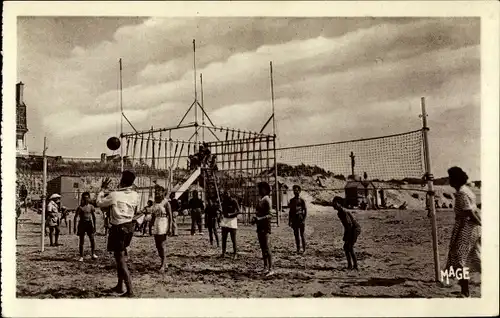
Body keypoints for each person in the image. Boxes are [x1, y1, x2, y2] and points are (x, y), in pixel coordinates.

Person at [96, 171, 139, 297]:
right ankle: (120, 285)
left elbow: (99, 203)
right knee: (119, 257)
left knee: (120, 260)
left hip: (118, 228)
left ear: (122, 181)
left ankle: (130, 290)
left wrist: (102, 190)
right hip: (129, 227)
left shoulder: (115, 195)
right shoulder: (135, 195)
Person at [445, 167, 481, 298]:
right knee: (475, 257)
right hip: (471, 228)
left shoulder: (461, 193)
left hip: (466, 228)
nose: (449, 181)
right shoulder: (468, 191)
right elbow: (474, 210)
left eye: (450, 178)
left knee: (459, 259)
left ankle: (465, 292)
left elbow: (469, 212)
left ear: (455, 179)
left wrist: (480, 223)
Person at [333, 196, 361, 270]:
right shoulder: (339, 213)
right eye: (333, 204)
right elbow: (346, 226)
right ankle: (350, 265)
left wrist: (348, 236)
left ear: (339, 204)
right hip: (349, 229)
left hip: (354, 229)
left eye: (335, 204)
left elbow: (350, 225)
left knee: (349, 247)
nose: (334, 206)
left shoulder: (344, 212)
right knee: (346, 247)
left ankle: (355, 266)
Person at [251, 182, 274, 276]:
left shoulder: (267, 200)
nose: (259, 190)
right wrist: (254, 219)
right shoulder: (260, 199)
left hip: (265, 225)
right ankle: (265, 267)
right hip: (259, 225)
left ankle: (271, 268)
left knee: (266, 247)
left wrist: (259, 218)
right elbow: (258, 212)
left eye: (261, 188)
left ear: (265, 189)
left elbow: (271, 214)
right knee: (262, 247)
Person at [150, 194, 173, 272]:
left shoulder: (166, 203)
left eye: (159, 192)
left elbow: (170, 215)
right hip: (157, 222)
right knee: (157, 245)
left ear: (162, 193)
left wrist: (170, 227)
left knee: (162, 244)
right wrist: (150, 225)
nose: (157, 194)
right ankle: (164, 261)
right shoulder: (154, 203)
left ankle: (163, 264)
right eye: (156, 192)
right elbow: (153, 215)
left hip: (163, 222)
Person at [74, 192, 98, 261]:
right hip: (82, 224)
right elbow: (75, 217)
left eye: (87, 198)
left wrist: (95, 226)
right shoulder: (80, 207)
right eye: (84, 198)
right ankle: (81, 256)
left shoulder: (91, 206)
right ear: (82, 198)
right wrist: (75, 227)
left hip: (89, 224)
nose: (86, 199)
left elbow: (94, 217)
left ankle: (93, 254)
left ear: (89, 198)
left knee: (92, 239)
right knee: (81, 240)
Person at [220, 190, 240, 259]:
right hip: (225, 220)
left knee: (233, 238)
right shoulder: (223, 202)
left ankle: (235, 253)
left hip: (232, 220)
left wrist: (231, 214)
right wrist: (221, 212)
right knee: (224, 238)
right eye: (224, 194)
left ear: (230, 194)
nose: (226, 195)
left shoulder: (234, 201)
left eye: (227, 194)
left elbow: (239, 211)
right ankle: (223, 253)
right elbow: (223, 211)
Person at [288, 185, 307, 254]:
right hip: (294, 220)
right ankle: (298, 248)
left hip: (300, 219)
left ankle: (304, 249)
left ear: (299, 191)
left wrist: (304, 219)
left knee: (302, 234)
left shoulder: (302, 200)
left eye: (297, 190)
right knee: (296, 235)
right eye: (294, 190)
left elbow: (305, 210)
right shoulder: (292, 200)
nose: (295, 192)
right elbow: (290, 211)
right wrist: (289, 221)